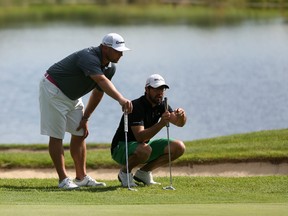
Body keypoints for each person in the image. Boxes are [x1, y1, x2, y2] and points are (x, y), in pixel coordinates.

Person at [39, 33, 133, 189]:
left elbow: (98, 91)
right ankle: (63, 179)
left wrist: (86, 117)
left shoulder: (110, 67)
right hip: (53, 90)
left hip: (72, 96)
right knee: (57, 135)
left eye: (122, 50)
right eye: (117, 50)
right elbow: (101, 81)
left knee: (80, 132)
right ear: (105, 48)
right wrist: (121, 99)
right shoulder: (88, 56)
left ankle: (81, 177)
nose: (121, 54)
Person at [111, 74, 186, 187]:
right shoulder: (136, 106)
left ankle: (143, 173)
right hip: (121, 148)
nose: (160, 92)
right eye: (156, 89)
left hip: (143, 146)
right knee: (145, 149)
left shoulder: (162, 105)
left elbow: (179, 123)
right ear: (147, 89)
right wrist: (161, 123)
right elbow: (140, 137)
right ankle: (124, 173)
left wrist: (181, 116)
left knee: (179, 147)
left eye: (162, 89)